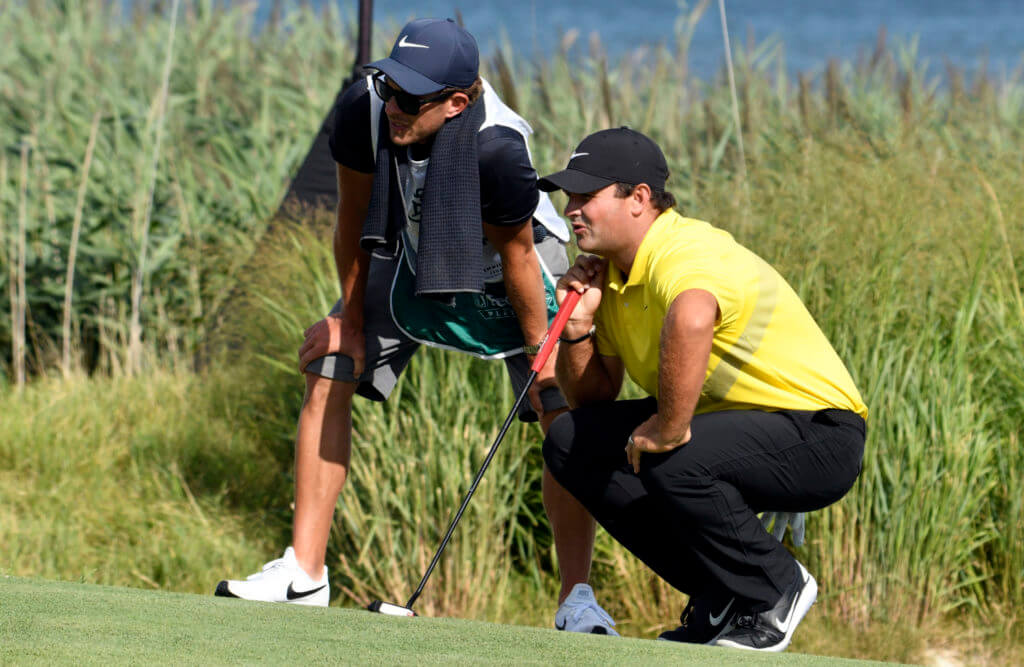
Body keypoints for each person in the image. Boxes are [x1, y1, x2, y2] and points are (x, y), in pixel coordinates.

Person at [216, 18, 618, 635]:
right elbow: (353, 214)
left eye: (412, 97)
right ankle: (303, 575)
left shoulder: (498, 151)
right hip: (416, 254)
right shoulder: (366, 111)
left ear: (457, 103)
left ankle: (577, 600)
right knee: (330, 358)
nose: (393, 104)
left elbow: (514, 255)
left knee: (560, 412)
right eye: (389, 85)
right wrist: (349, 320)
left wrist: (541, 353)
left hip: (518, 271)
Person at [537, 127, 867, 652]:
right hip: (737, 430)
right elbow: (593, 399)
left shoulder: (682, 249)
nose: (571, 209)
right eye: (568, 196)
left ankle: (778, 586)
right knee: (573, 440)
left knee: (673, 453)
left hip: (820, 433)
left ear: (639, 199)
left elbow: (691, 319)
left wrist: (667, 429)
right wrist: (579, 327)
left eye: (586, 196)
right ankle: (724, 595)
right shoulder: (614, 277)